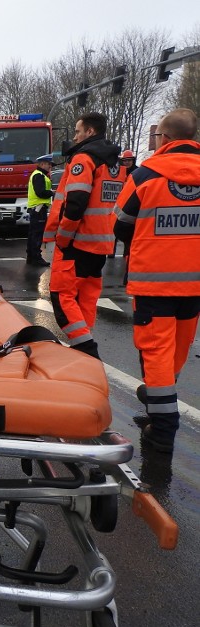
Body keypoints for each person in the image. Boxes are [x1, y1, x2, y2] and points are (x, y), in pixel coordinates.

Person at [113, 108, 200, 454]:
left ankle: (163, 427)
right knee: (177, 350)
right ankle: (157, 402)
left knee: (157, 354)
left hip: (154, 282)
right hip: (194, 283)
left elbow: (121, 223)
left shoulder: (146, 174)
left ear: (164, 138)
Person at [43, 112, 124, 359]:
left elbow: (75, 203)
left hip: (77, 243)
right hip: (102, 243)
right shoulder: (115, 163)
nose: (75, 136)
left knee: (61, 298)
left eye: (78, 131)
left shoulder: (84, 159)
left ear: (89, 131)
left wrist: (63, 239)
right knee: (86, 297)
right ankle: (84, 347)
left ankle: (86, 350)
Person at [25, 154, 56, 267]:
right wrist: (52, 193)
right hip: (39, 208)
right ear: (42, 164)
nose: (50, 167)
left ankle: (31, 257)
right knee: (37, 235)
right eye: (49, 164)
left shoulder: (39, 174)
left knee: (33, 234)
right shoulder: (39, 176)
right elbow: (40, 192)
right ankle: (36, 257)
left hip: (36, 208)